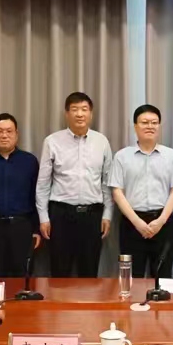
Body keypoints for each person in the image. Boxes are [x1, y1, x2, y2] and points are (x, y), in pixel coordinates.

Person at [36, 92, 114, 278]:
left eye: (84, 109)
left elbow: (107, 182)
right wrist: (43, 217)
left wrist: (107, 214)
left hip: (92, 215)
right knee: (59, 273)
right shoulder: (52, 141)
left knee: (89, 273)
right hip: (61, 215)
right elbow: (43, 183)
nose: (80, 114)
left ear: (91, 114)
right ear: (67, 113)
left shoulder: (101, 141)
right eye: (75, 109)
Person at [110, 104, 173, 279]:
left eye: (154, 122)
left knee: (162, 277)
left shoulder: (171, 155)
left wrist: (161, 221)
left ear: (159, 126)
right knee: (131, 278)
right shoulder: (122, 156)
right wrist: (137, 222)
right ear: (135, 126)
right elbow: (117, 192)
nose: (150, 126)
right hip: (131, 223)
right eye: (144, 122)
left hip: (162, 222)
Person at [0, 113, 42, 278]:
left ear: (16, 134)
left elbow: (37, 196)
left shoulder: (30, 161)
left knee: (22, 278)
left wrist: (36, 229)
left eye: (9, 131)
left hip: (22, 227)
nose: (4, 135)